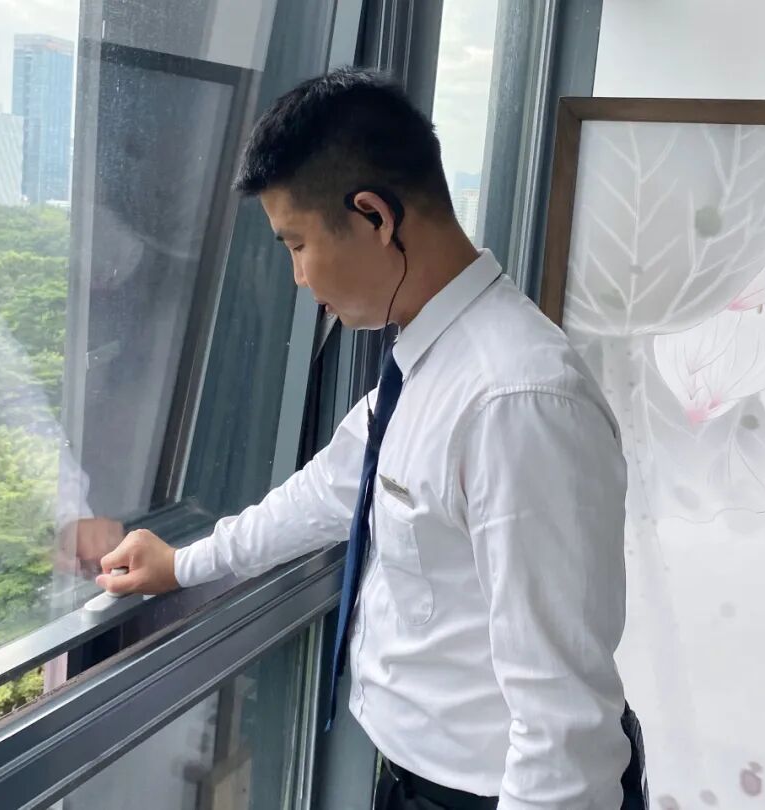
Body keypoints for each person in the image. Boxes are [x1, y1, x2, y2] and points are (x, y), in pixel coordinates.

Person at [96, 68, 648, 810]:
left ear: (374, 216)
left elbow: (564, 726)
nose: (298, 277)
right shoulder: (428, 361)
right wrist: (183, 564)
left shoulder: (516, 403)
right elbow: (326, 494)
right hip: (419, 778)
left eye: (297, 244)